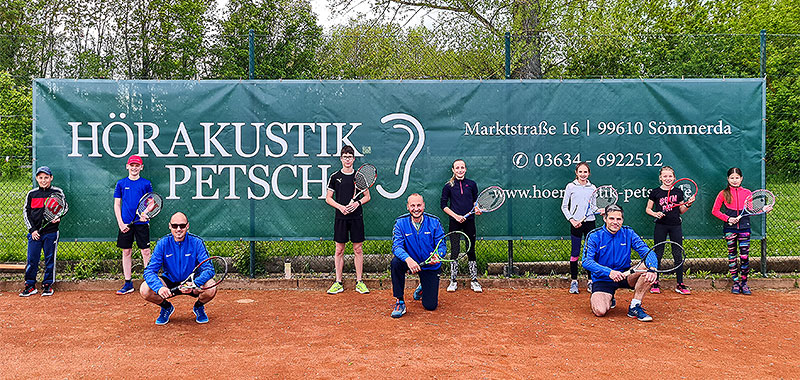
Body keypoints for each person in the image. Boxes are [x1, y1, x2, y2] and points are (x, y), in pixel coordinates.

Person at [582, 204, 658, 322]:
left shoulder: (628, 233)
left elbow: (648, 253)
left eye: (619, 219)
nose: (615, 222)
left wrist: (653, 268)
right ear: (605, 219)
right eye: (612, 218)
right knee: (600, 311)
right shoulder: (594, 235)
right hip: (603, 279)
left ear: (622, 220)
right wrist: (609, 272)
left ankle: (635, 306)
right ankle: (609, 297)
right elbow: (586, 262)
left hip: (625, 275)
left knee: (647, 267)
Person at [140, 212, 216, 325]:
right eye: (175, 226)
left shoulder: (197, 242)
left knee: (211, 287)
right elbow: (149, 271)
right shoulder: (163, 243)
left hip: (191, 282)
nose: (178, 229)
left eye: (182, 226)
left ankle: (199, 307)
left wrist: (194, 283)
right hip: (170, 282)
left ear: (187, 226)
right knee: (145, 289)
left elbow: (209, 269)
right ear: (170, 226)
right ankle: (166, 307)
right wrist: (159, 288)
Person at [711, 167, 771, 295]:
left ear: (741, 179)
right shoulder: (723, 193)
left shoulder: (747, 192)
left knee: (744, 257)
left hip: (744, 228)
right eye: (732, 178)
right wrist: (728, 219)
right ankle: (736, 283)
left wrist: (764, 208)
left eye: (737, 178)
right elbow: (715, 211)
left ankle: (744, 283)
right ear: (728, 179)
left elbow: (752, 209)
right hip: (730, 229)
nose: (734, 180)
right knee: (732, 256)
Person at [389, 193, 446, 318]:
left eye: (419, 205)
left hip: (429, 265)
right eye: (412, 205)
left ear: (424, 206)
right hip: (410, 262)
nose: (416, 208)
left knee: (430, 306)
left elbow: (442, 246)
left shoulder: (434, 222)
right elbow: (396, 246)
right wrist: (408, 259)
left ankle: (423, 287)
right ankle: (400, 302)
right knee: (396, 263)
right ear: (408, 207)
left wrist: (437, 255)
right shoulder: (400, 223)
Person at [325, 145, 370, 295]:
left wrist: (356, 203)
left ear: (354, 159)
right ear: (341, 159)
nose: (347, 159)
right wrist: (341, 207)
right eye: (345, 157)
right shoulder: (334, 177)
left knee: (358, 249)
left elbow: (367, 197)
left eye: (350, 157)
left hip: (356, 217)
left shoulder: (360, 177)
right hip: (341, 218)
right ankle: (338, 282)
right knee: (339, 250)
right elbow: (328, 199)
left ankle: (359, 282)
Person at [645, 166, 695, 295]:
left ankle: (680, 283)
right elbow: (648, 209)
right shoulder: (655, 192)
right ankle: (655, 282)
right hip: (660, 226)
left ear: (674, 178)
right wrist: (655, 214)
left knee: (677, 254)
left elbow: (681, 210)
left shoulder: (678, 192)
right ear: (660, 178)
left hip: (675, 226)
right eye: (665, 176)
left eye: (670, 176)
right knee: (658, 254)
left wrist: (688, 204)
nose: (668, 178)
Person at [20, 166, 66, 297]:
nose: (43, 180)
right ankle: (30, 285)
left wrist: (57, 217)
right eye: (40, 178)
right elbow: (26, 212)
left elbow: (62, 208)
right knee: (32, 259)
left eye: (46, 177)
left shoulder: (58, 192)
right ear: (36, 179)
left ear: (51, 178)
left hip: (51, 233)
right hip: (35, 234)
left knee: (49, 259)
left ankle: (47, 285)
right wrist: (33, 230)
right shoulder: (32, 194)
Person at [113, 155, 153, 295]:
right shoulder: (121, 184)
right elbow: (117, 204)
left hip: (142, 222)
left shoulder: (146, 184)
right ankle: (128, 283)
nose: (134, 168)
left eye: (137, 165)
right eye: (132, 165)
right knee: (126, 251)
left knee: (146, 252)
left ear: (141, 167)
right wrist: (120, 223)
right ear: (127, 166)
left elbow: (151, 202)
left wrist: (145, 213)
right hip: (125, 224)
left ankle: (149, 281)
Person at [440, 159, 481, 292]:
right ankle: (453, 280)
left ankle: (474, 280)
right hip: (454, 222)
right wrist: (456, 216)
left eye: (462, 167)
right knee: (455, 250)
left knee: (471, 250)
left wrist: (478, 208)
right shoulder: (448, 186)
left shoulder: (472, 184)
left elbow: (475, 201)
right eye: (457, 168)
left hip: (469, 221)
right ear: (453, 170)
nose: (460, 170)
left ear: (465, 169)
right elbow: (443, 205)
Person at [560, 161, 596, 294]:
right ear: (576, 173)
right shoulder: (570, 187)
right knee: (575, 253)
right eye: (580, 171)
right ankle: (574, 281)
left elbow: (593, 207)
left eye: (585, 172)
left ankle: (591, 282)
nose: (583, 174)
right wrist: (572, 220)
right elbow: (564, 207)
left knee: (590, 253)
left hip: (590, 223)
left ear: (589, 173)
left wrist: (601, 211)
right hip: (575, 224)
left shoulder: (592, 188)